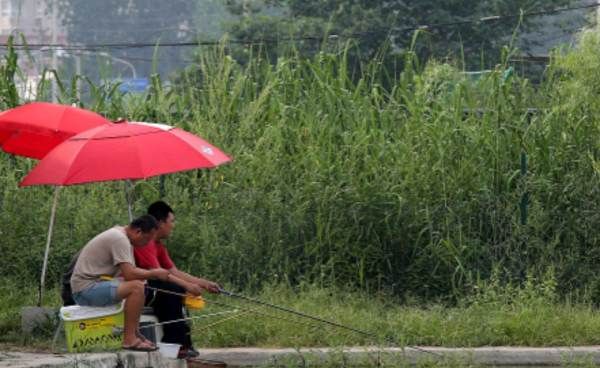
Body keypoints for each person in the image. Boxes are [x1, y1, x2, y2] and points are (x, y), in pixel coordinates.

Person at [134, 201, 220, 359]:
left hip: (150, 286)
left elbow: (173, 271)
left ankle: (185, 343)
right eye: (171, 221)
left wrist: (204, 283)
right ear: (160, 223)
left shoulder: (159, 246)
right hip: (139, 289)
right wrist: (188, 286)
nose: (173, 225)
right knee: (173, 289)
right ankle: (174, 343)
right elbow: (160, 274)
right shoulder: (145, 242)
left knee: (177, 288)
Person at [70, 215, 170, 352]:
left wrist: (150, 274)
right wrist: (155, 273)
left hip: (95, 285)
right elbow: (130, 274)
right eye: (146, 239)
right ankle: (129, 339)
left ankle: (135, 334)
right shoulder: (119, 239)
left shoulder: (123, 237)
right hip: (85, 289)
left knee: (140, 284)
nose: (146, 244)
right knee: (136, 288)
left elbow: (131, 273)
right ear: (138, 232)